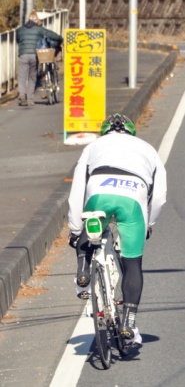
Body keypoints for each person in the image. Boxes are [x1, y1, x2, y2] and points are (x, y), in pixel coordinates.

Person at [67, 113, 167, 345]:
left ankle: (82, 269)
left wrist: (74, 229)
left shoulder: (94, 146)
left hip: (99, 188)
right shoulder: (148, 149)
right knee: (132, 264)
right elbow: (160, 196)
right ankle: (129, 322)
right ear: (131, 132)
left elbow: (78, 189)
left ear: (105, 132)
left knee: (88, 227)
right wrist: (149, 223)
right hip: (133, 195)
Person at [15, 11, 63, 106]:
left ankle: (22, 94)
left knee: (22, 76)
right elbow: (50, 34)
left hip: (23, 54)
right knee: (32, 77)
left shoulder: (20, 30)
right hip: (35, 55)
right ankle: (30, 99)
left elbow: (18, 40)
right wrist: (60, 39)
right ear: (36, 20)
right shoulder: (38, 29)